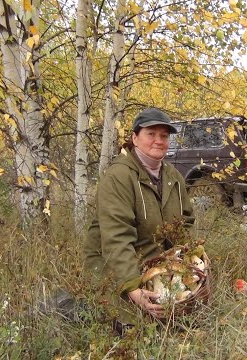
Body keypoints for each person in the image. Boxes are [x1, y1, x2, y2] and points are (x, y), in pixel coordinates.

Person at [83, 108, 195, 330]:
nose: (159, 141)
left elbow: (186, 223)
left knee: (185, 319)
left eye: (164, 136)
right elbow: (116, 238)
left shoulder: (173, 176)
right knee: (134, 330)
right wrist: (132, 286)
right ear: (135, 138)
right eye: (151, 134)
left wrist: (188, 265)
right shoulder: (119, 177)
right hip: (115, 269)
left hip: (154, 267)